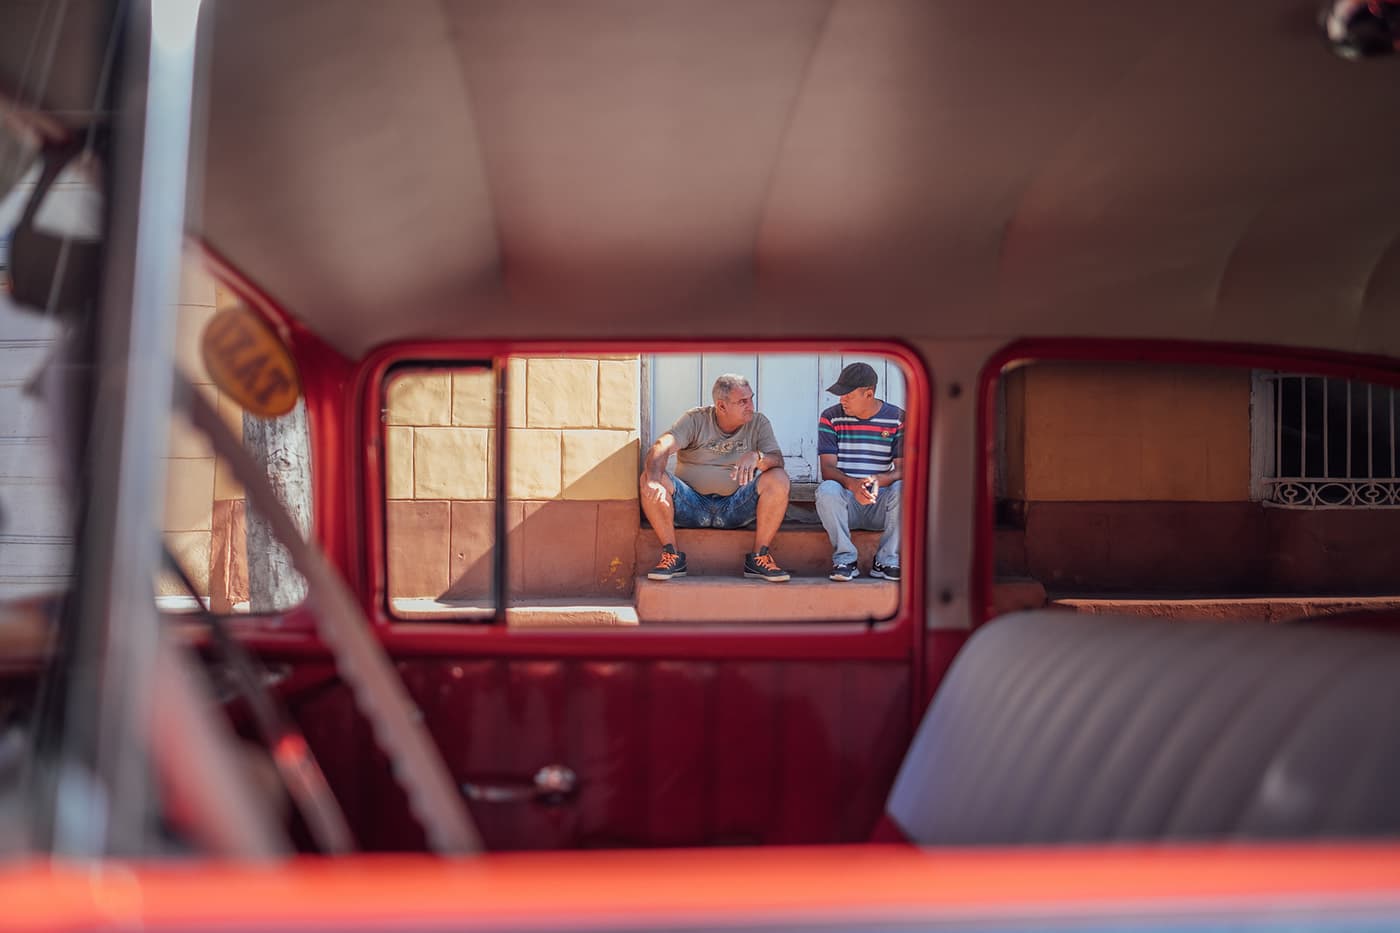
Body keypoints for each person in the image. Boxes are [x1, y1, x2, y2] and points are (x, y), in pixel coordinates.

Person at [639, 374, 791, 582]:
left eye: (751, 398)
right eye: (742, 402)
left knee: (778, 477)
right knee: (649, 477)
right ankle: (672, 555)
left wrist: (758, 457)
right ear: (721, 406)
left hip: (735, 506)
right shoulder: (695, 419)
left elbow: (777, 459)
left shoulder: (758, 423)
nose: (751, 406)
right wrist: (654, 480)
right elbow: (661, 447)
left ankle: (759, 557)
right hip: (690, 505)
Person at [815, 362, 904, 582]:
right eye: (840, 394)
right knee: (827, 490)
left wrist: (877, 481)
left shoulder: (898, 418)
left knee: (906, 488)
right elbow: (827, 469)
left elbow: (903, 470)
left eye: (847, 394)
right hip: (846, 504)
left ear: (869, 393)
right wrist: (854, 485)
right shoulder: (831, 417)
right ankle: (845, 558)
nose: (841, 399)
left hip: (880, 505)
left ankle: (887, 559)